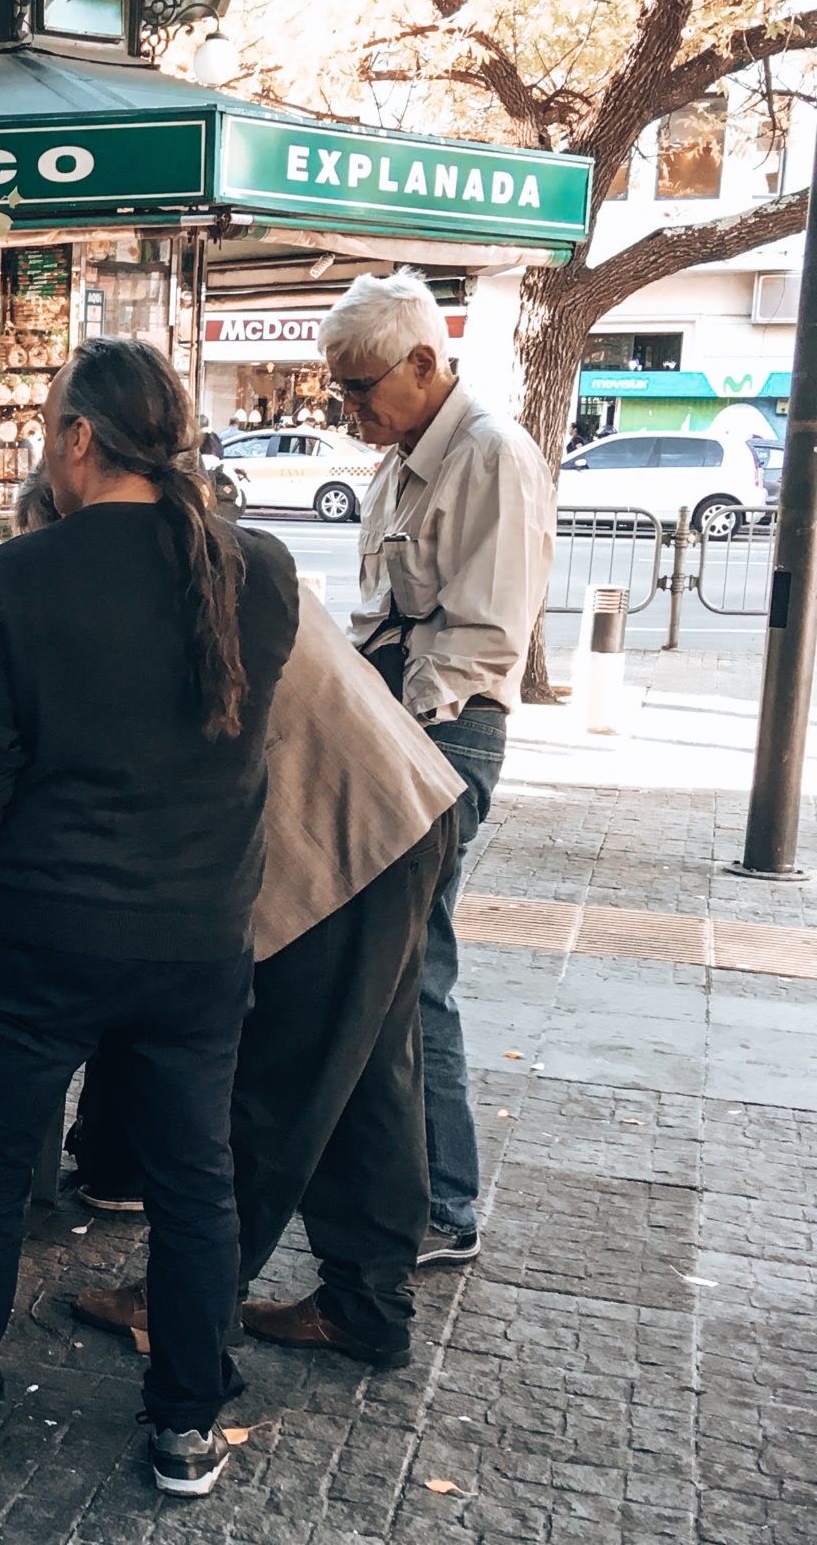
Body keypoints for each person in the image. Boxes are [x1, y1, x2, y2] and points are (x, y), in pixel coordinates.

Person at [0, 337, 298, 1497]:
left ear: (79, 439)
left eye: (49, 428)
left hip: (43, 929)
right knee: (194, 1178)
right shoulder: (259, 568)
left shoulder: (23, 575)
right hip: (199, 932)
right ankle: (186, 1422)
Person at [73, 596, 463, 1371]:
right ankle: (367, 1303)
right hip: (405, 799)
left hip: (331, 835)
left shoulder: (129, 590)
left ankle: (188, 1293)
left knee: (273, 1086)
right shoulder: (218, 550)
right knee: (374, 1082)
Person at [327, 270, 554, 1269]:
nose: (349, 410)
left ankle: (443, 1203)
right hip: (397, 725)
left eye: (361, 386)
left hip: (440, 732)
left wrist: (388, 731)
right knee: (392, 968)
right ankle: (413, 1191)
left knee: (415, 970)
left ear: (423, 362)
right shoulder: (401, 459)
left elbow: (479, 636)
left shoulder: (488, 456)